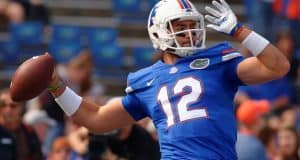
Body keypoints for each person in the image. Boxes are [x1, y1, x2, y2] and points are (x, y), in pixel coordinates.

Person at [47, 0, 290, 159]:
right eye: (179, 26)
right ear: (158, 32)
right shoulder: (147, 80)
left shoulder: (218, 62)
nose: (188, 33)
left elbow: (278, 66)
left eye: (191, 26)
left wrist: (241, 31)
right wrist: (57, 87)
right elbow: (96, 119)